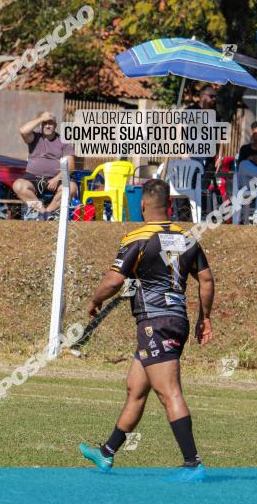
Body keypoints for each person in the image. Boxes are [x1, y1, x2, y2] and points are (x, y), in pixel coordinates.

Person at [79, 179, 215, 483]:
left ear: (142, 205)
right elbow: (206, 279)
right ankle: (107, 452)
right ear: (168, 204)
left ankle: (193, 464)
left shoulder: (137, 237)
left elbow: (114, 282)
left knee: (169, 392)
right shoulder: (187, 237)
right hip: (175, 319)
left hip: (157, 322)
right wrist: (205, 317)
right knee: (136, 388)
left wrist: (94, 300)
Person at [14, 112, 76, 219]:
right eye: (45, 123)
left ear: (55, 126)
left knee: (72, 188)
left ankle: (49, 212)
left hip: (56, 178)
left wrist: (57, 179)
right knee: (18, 186)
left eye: (50, 123)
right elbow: (22, 131)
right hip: (33, 177)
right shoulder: (34, 137)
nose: (47, 125)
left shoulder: (63, 141)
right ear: (41, 124)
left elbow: (70, 166)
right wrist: (40, 119)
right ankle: (42, 212)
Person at [185, 84, 225, 213]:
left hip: (209, 158)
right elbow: (180, 130)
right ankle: (187, 213)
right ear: (202, 96)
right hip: (192, 155)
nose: (214, 99)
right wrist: (183, 152)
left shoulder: (216, 114)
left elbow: (221, 137)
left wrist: (220, 156)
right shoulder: (190, 111)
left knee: (203, 186)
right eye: (211, 96)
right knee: (189, 185)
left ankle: (200, 214)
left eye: (215, 96)